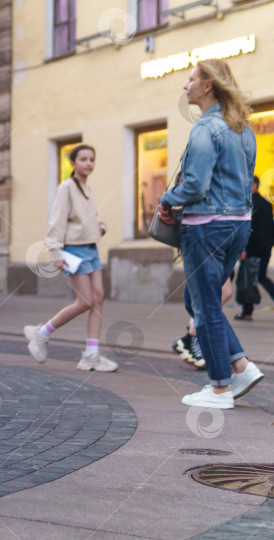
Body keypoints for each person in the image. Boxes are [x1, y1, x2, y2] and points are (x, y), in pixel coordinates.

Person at [158, 59, 264, 409]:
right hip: (238, 225)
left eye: (189, 80)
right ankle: (241, 367)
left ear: (207, 86)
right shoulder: (242, 129)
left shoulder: (206, 129)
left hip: (206, 227)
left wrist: (167, 199)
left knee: (203, 306)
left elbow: (196, 185)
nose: (184, 86)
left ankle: (219, 388)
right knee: (199, 301)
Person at [23, 144, 118, 372]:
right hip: (74, 251)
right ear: (73, 163)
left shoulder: (86, 188)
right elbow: (57, 219)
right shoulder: (66, 187)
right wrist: (55, 251)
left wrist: (99, 227)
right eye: (83, 159)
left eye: (91, 159)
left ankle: (91, 355)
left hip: (91, 248)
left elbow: (84, 219)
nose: (88, 163)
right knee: (85, 301)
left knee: (98, 298)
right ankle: (41, 332)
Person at [235, 176, 274, 320]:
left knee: (247, 278)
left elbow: (248, 228)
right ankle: (247, 311)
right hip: (265, 248)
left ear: (255, 185)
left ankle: (247, 312)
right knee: (260, 277)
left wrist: (243, 248)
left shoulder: (249, 204)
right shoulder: (266, 203)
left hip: (252, 248)